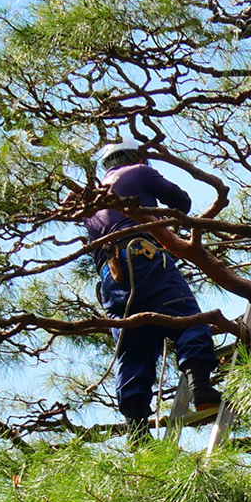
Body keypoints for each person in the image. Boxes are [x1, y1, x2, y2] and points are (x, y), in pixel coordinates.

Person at [84, 143, 221, 430]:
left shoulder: (92, 200)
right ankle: (202, 391)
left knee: (134, 346)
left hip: (111, 277)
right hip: (142, 255)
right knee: (186, 318)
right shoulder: (138, 171)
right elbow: (181, 202)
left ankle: (135, 426)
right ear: (137, 157)